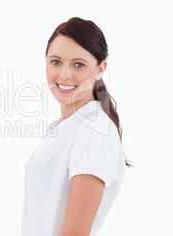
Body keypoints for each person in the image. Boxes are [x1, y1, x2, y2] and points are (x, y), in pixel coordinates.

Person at [22, 17, 130, 236]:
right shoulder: (67, 128)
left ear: (101, 69)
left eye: (78, 64)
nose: (64, 74)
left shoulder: (94, 131)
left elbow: (75, 232)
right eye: (55, 61)